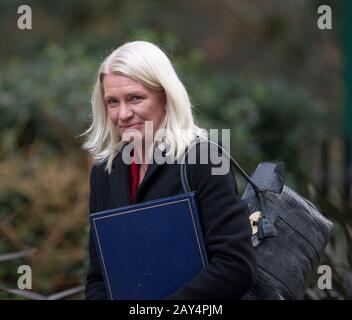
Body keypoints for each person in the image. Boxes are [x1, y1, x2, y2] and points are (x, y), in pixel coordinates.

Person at [82, 40, 257, 300]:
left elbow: (235, 267)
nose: (123, 114)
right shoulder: (104, 173)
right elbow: (99, 275)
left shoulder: (204, 159)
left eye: (135, 98)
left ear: (165, 96)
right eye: (112, 102)